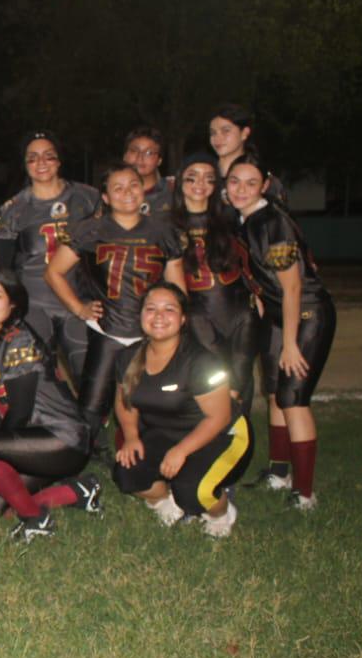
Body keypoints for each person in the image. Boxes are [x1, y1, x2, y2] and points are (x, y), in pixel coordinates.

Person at [44, 162, 186, 444]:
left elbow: (176, 289)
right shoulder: (89, 230)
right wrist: (78, 308)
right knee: (92, 405)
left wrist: (177, 327)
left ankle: (144, 447)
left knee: (152, 400)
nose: (128, 192)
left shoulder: (164, 232)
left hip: (150, 332)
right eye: (117, 188)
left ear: (143, 189)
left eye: (133, 185)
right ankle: (83, 453)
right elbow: (53, 272)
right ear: (105, 197)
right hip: (106, 330)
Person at [227, 154, 335, 510]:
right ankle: (278, 472)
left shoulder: (273, 222)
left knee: (293, 399)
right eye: (234, 181)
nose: (241, 189)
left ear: (264, 186)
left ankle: (304, 494)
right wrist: (259, 297)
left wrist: (290, 343)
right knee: (274, 393)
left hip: (305, 314)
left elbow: (292, 287)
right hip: (275, 314)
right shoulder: (244, 220)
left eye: (250, 182)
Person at [0, 270, 102, 541]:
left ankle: (36, 521)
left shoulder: (20, 340)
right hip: (27, 443)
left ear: (13, 302)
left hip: (61, 440)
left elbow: (20, 413)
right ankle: (80, 491)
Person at [113, 283, 253, 537]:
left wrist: (181, 451)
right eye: (151, 308)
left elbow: (219, 417)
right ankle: (166, 503)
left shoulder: (200, 361)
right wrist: (131, 436)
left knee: (191, 493)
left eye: (169, 309)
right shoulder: (128, 357)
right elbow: (125, 402)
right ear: (141, 315)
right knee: (126, 475)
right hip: (167, 432)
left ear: (183, 318)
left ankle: (221, 514)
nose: (158, 316)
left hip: (221, 433)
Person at [0, 130, 101, 384]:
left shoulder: (87, 198)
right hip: (34, 303)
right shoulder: (12, 209)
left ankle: (89, 424)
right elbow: (3, 266)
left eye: (48, 156)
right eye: (33, 157)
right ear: (25, 164)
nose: (41, 163)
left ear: (59, 161)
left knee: (87, 375)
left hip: (77, 297)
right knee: (38, 378)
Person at [171, 153, 261, 412]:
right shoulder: (166, 224)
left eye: (209, 178)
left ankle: (241, 445)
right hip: (198, 316)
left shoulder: (232, 218)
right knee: (212, 382)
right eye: (192, 177)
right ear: (180, 181)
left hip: (239, 312)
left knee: (241, 381)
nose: (200, 183)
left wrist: (260, 293)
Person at [209, 104, 287, 206]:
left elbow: (279, 218)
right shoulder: (204, 179)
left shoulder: (264, 181)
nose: (218, 138)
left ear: (244, 133)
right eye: (213, 133)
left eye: (226, 131)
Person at [122, 126, 174, 217]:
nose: (140, 158)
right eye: (134, 151)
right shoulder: (113, 195)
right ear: (125, 156)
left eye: (149, 153)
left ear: (159, 160)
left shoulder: (172, 193)